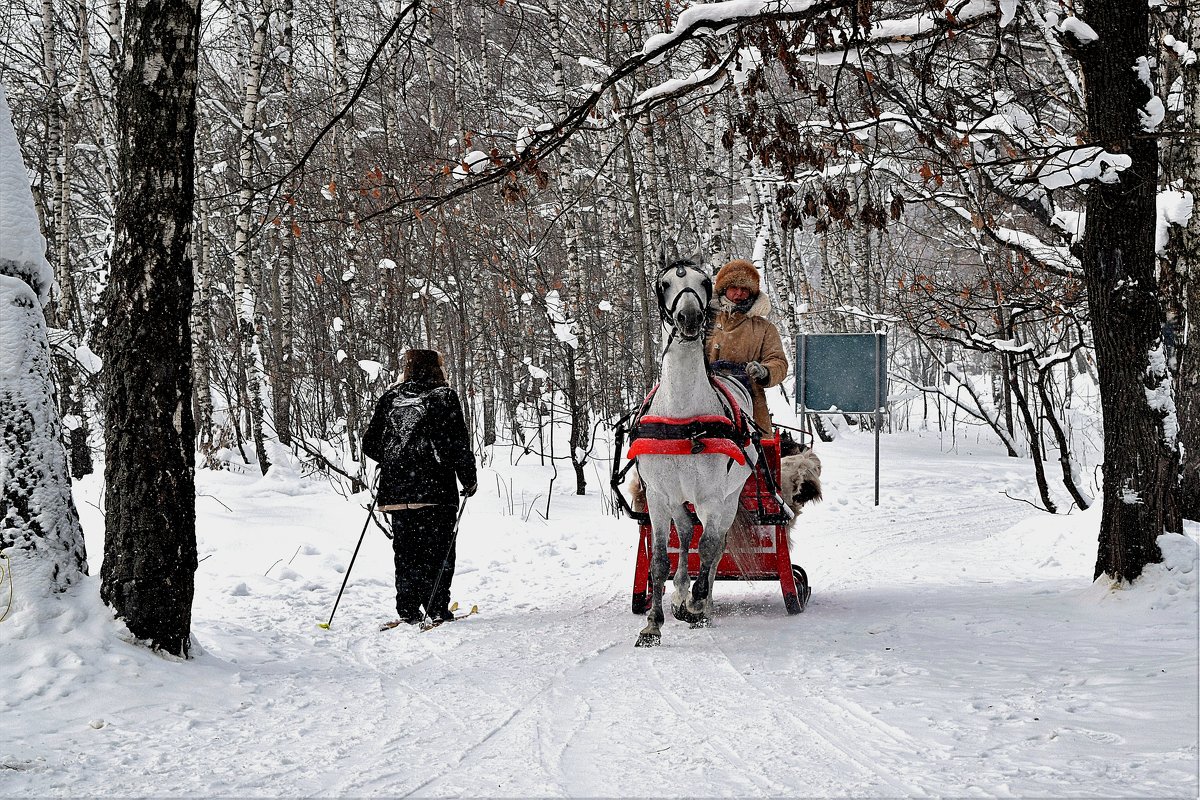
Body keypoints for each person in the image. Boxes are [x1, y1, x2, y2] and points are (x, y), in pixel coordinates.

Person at [362, 349, 477, 625]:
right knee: (439, 550)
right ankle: (436, 608)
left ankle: (408, 609)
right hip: (435, 490)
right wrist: (468, 478)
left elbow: (370, 443)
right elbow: (456, 442)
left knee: (406, 552)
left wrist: (397, 459)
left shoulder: (391, 397)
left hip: (396, 492)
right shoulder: (443, 396)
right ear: (436, 368)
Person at [706, 258, 788, 433]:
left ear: (752, 293)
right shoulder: (705, 322)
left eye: (744, 289)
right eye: (733, 288)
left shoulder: (764, 328)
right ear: (723, 290)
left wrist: (765, 371)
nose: (738, 293)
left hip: (750, 405)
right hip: (704, 402)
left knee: (758, 455)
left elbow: (779, 362)